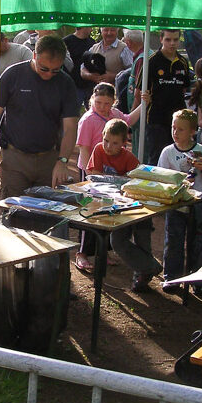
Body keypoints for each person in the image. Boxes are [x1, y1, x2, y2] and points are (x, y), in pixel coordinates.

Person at [73, 82, 148, 272]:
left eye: (107, 103)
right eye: (98, 102)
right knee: (89, 211)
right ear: (92, 100)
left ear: (113, 102)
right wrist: (89, 175)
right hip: (92, 170)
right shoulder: (88, 119)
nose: (103, 107)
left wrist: (144, 103)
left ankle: (101, 252)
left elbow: (129, 120)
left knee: (106, 212)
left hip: (110, 175)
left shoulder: (115, 116)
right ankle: (82, 253)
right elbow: (83, 147)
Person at [0, 35, 79, 198]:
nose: (49, 74)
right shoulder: (12, 75)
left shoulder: (65, 83)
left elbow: (70, 127)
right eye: (44, 68)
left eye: (55, 70)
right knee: (12, 211)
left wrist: (62, 161)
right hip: (14, 157)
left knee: (46, 214)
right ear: (34, 56)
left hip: (48, 157)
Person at [85, 119, 161, 291]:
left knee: (143, 241)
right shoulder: (98, 149)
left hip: (136, 207)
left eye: (114, 143)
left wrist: (115, 182)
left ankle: (142, 277)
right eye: (106, 140)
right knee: (117, 241)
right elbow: (93, 173)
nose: (108, 146)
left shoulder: (129, 158)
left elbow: (136, 182)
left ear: (124, 143)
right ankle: (150, 267)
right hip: (114, 206)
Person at [157, 109, 202, 292]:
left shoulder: (200, 150)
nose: (175, 133)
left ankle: (197, 280)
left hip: (196, 202)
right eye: (174, 128)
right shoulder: (167, 152)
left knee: (197, 241)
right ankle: (172, 278)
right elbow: (160, 178)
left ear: (192, 131)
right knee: (173, 240)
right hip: (176, 203)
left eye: (181, 129)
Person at [145, 29, 192, 164]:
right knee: (157, 157)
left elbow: (184, 88)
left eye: (175, 40)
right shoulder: (152, 61)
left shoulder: (182, 61)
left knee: (179, 156)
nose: (172, 43)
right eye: (168, 39)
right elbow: (141, 91)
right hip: (157, 119)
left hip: (178, 119)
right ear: (161, 39)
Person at [63, 26, 96, 108]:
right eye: (90, 27)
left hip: (90, 84)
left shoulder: (92, 43)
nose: (91, 29)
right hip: (73, 85)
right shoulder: (66, 42)